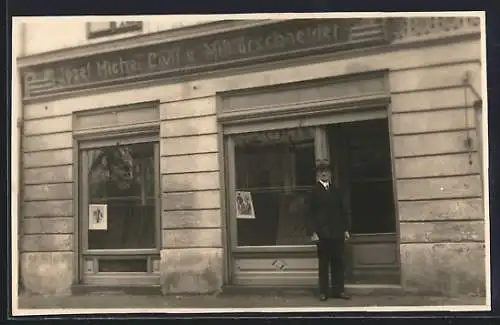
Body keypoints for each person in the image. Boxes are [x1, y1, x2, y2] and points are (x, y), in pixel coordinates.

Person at [308, 162, 351, 301]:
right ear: (317, 175)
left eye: (326, 171)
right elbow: (309, 213)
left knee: (338, 262)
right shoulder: (313, 191)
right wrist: (312, 232)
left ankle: (339, 290)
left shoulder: (336, 190)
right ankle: (323, 292)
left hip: (337, 232)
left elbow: (342, 211)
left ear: (331, 174)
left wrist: (345, 229)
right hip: (322, 233)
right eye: (321, 172)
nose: (324, 174)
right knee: (324, 263)